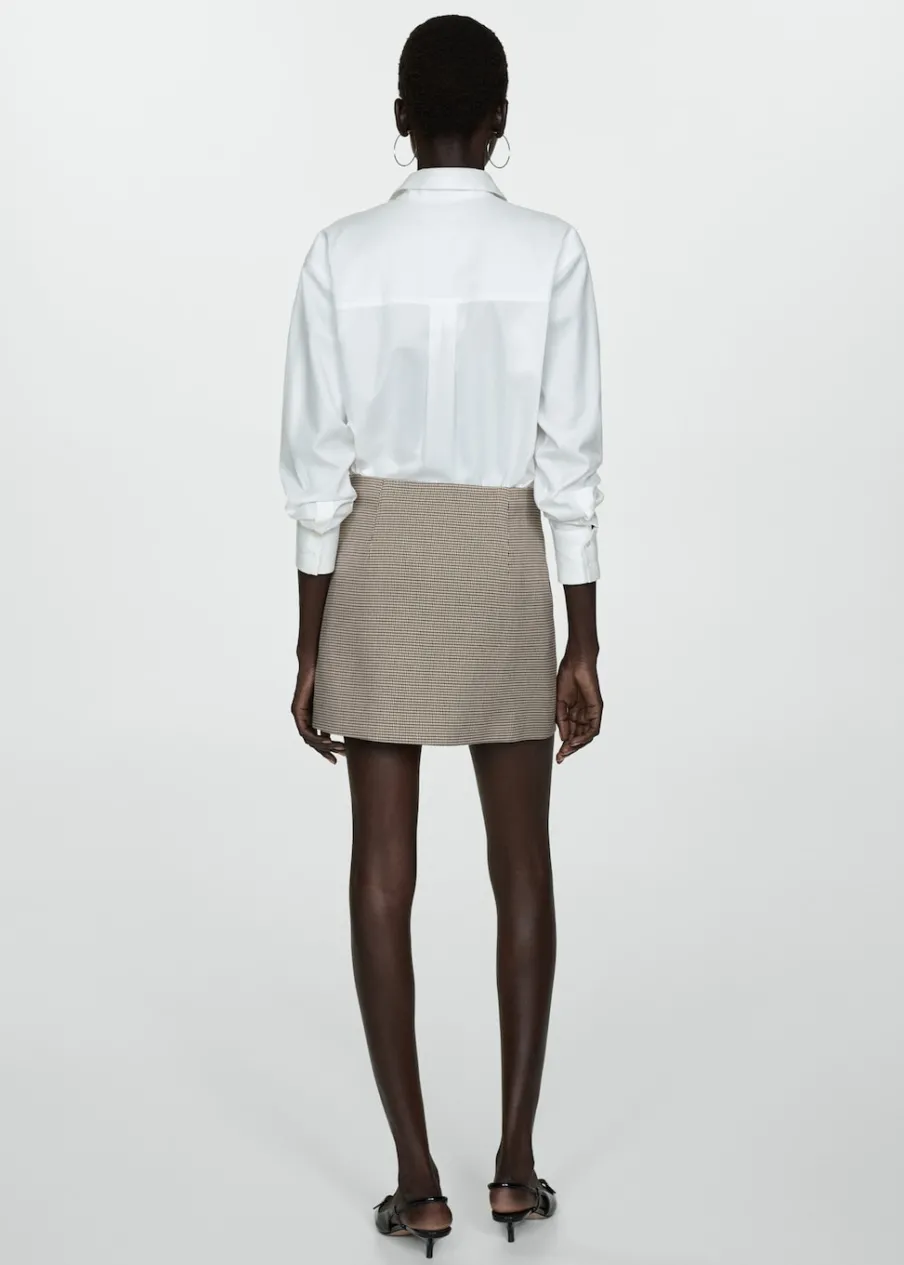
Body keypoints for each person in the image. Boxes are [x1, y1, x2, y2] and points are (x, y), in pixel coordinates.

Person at [279, 14, 603, 1257]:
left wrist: (309, 640)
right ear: (500, 117)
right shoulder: (553, 251)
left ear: (400, 118)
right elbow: (569, 463)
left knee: (382, 867)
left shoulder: (338, 254)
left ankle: (417, 1179)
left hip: (377, 564)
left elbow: (316, 467)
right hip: (504, 562)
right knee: (522, 864)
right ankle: (514, 1162)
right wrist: (583, 638)